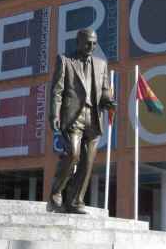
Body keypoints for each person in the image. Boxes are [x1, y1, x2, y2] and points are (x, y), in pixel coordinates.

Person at [48, 28, 116, 214]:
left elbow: (103, 91)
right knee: (73, 154)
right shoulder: (65, 61)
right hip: (73, 117)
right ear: (78, 42)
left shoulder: (101, 64)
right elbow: (57, 92)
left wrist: (108, 101)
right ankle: (56, 191)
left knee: (88, 163)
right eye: (88, 43)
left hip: (93, 119)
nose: (91, 47)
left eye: (94, 43)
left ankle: (75, 200)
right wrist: (54, 115)